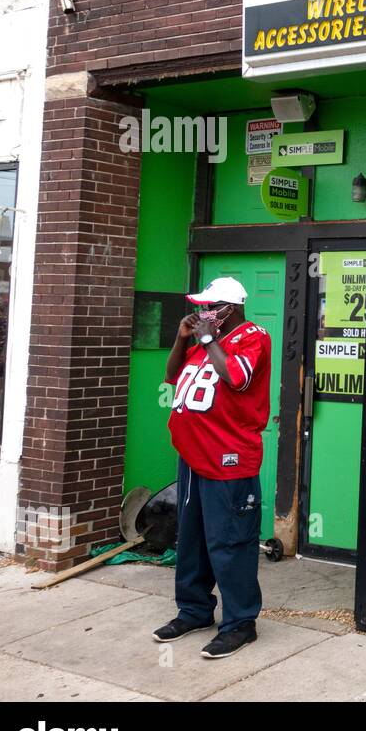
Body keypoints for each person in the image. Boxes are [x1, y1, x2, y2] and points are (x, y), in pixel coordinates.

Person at [152, 277, 272, 658]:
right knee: (191, 538)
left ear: (230, 309)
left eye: (210, 307)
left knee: (230, 541)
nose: (203, 313)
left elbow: (236, 377)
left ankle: (240, 623)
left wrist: (207, 339)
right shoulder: (203, 342)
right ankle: (194, 610)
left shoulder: (253, 336)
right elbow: (172, 375)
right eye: (201, 307)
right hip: (193, 457)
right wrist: (182, 338)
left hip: (228, 458)